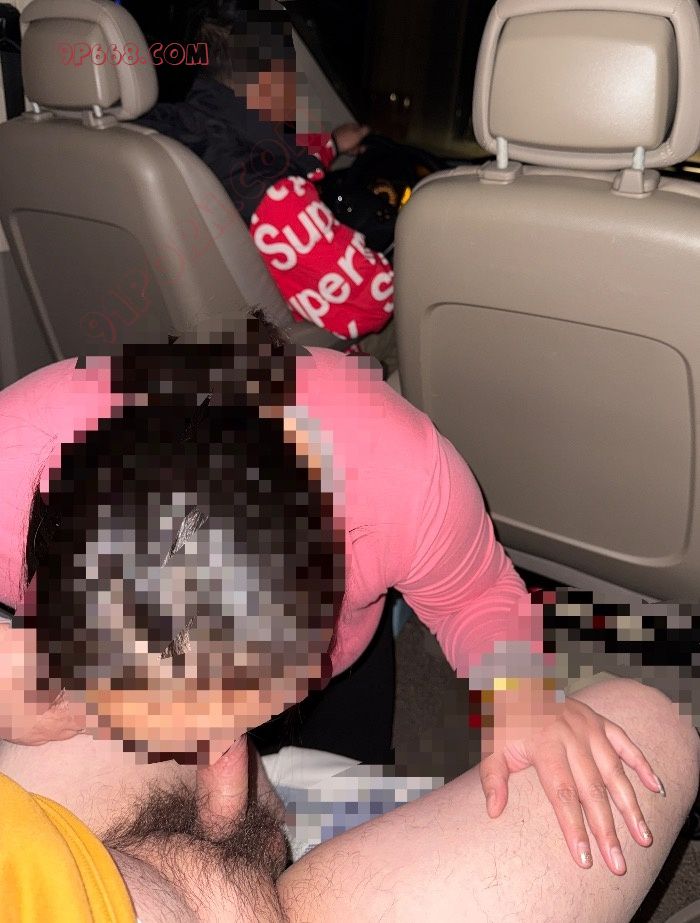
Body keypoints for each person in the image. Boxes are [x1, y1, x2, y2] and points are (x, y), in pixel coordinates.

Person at [0, 319, 697, 921]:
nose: (221, 764)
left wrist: (522, 691)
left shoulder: (401, 478)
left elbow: (478, 593)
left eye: (239, 706)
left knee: (354, 744)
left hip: (351, 633)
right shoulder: (13, 459)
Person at [137, 1, 396, 349]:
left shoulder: (162, 134)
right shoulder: (278, 197)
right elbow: (373, 303)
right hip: (290, 361)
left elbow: (249, 158)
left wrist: (331, 145)